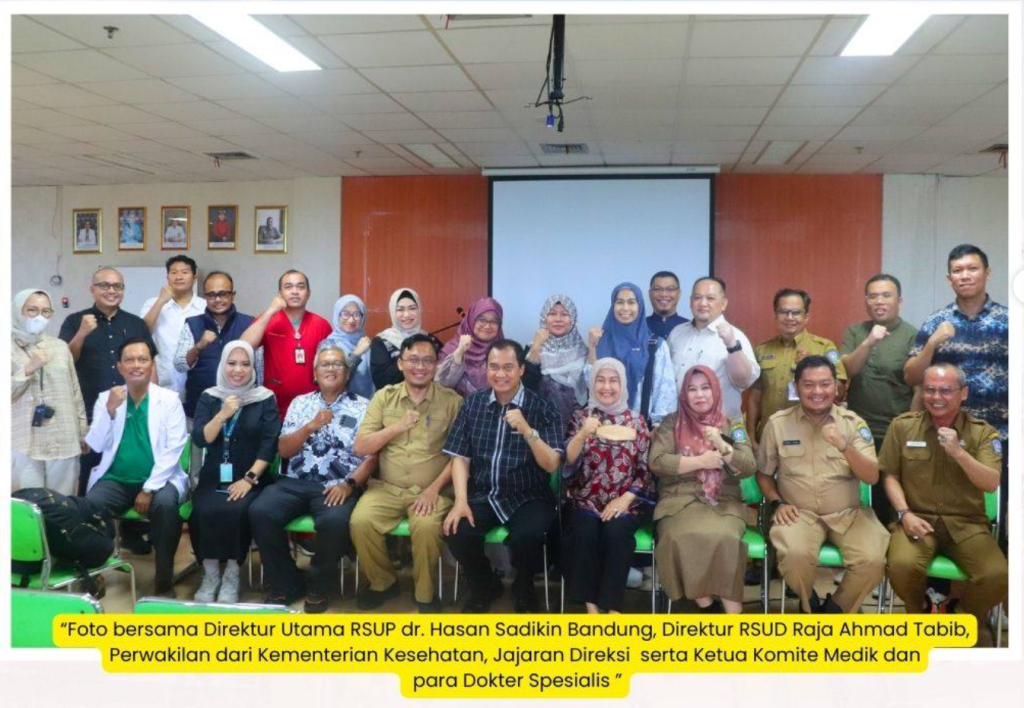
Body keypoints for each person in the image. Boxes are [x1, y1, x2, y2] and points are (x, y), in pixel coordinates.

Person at [881, 365, 1006, 639]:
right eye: (930, 389)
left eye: (946, 390)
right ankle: (919, 616)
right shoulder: (903, 426)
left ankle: (958, 619)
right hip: (916, 520)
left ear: (964, 393)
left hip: (966, 524)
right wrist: (904, 514)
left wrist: (958, 452)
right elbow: (889, 475)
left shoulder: (983, 433)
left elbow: (990, 482)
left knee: (998, 575)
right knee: (901, 565)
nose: (936, 397)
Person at [248, 343, 375, 612]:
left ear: (347, 373)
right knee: (260, 511)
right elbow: (283, 449)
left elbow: (373, 456)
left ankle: (318, 585)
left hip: (336, 485)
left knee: (334, 521)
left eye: (337, 364)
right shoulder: (300, 403)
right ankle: (286, 582)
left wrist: (350, 485)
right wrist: (309, 427)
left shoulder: (365, 407)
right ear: (314, 373)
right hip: (294, 481)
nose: (331, 369)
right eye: (325, 364)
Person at [756, 355, 888, 614]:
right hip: (798, 514)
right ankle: (809, 605)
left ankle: (835, 609)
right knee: (794, 556)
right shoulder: (778, 424)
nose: (818, 391)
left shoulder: (853, 424)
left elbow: (872, 477)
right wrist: (777, 502)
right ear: (796, 387)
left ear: (837, 388)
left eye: (825, 384)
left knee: (873, 560)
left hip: (849, 515)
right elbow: (763, 474)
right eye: (809, 384)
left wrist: (843, 445)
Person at [442, 339, 564, 613]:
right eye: (494, 367)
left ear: (521, 369)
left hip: (529, 494)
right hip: (483, 492)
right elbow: (460, 457)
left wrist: (527, 430)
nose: (501, 374)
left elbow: (552, 464)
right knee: (456, 531)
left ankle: (524, 585)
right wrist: (461, 501)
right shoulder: (472, 404)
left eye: (508, 367)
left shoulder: (542, 407)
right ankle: (485, 583)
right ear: (486, 369)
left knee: (529, 536)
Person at [903, 244, 1008, 548]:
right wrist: (932, 344)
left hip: (999, 435)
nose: (965, 276)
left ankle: (992, 587)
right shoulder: (936, 321)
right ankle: (942, 594)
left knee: (1000, 515)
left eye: (972, 269)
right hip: (946, 436)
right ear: (949, 278)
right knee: (946, 515)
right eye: (958, 271)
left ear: (987, 273)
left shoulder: (1008, 320)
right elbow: (911, 376)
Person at [350, 334, 463, 612]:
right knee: (360, 521)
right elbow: (361, 446)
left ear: (436, 365)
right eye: (413, 359)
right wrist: (396, 427)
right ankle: (383, 583)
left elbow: (460, 456)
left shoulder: (451, 401)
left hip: (432, 489)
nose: (420, 366)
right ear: (400, 363)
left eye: (427, 360)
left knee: (425, 527)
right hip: (386, 488)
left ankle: (425, 594)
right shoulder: (383, 398)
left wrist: (434, 489)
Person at [82, 338, 188, 594]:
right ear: (119, 366)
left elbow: (174, 449)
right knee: (91, 506)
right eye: (129, 360)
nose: (136, 365)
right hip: (116, 479)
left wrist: (149, 488)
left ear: (152, 365)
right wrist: (109, 411)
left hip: (159, 480)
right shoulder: (107, 398)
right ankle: (94, 571)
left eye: (143, 359)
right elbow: (95, 444)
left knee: (165, 506)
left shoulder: (169, 400)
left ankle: (164, 579)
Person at [651, 365, 756, 614]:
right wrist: (699, 462)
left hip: (723, 501)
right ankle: (707, 606)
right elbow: (656, 462)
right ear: (684, 394)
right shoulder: (671, 423)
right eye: (692, 389)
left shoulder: (733, 423)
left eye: (705, 388)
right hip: (678, 500)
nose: (699, 395)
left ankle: (733, 616)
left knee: (725, 538)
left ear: (715, 390)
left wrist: (722, 444)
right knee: (676, 537)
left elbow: (749, 466)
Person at [190, 342, 279, 604]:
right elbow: (201, 439)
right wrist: (222, 415)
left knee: (235, 511)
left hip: (252, 476)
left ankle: (231, 573)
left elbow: (269, 444)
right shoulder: (210, 396)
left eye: (245, 364)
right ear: (222, 365)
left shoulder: (264, 398)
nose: (238, 370)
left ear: (253, 367)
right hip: (213, 476)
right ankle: (210, 574)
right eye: (231, 363)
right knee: (202, 512)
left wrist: (249, 480)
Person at [562, 358, 652, 614]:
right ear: (592, 383)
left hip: (626, 502)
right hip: (586, 498)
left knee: (616, 532)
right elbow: (567, 463)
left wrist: (624, 500)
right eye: (600, 380)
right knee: (584, 530)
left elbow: (646, 469)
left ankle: (612, 609)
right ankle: (591, 608)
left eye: (613, 380)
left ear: (622, 384)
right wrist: (582, 434)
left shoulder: (636, 421)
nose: (607, 387)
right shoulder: (581, 417)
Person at [59, 267, 155, 496]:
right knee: (87, 467)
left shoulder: (135, 323)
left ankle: (129, 528)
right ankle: (89, 522)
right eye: (105, 285)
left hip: (131, 410)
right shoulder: (74, 321)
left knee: (127, 465)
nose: (111, 291)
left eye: (117, 286)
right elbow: (66, 362)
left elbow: (151, 364)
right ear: (92, 289)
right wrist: (82, 333)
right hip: (90, 408)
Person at [839, 274, 918, 524]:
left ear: (900, 300)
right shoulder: (855, 331)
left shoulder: (912, 335)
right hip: (858, 428)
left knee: (889, 495)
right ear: (866, 302)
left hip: (894, 430)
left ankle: (889, 553)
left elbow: (919, 388)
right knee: (856, 492)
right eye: (873, 296)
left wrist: (909, 428)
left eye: (886, 295)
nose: (879, 301)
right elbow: (848, 369)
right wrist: (869, 342)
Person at [747, 288, 848, 446]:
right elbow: (754, 398)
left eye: (796, 312)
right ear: (775, 315)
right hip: (768, 435)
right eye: (783, 312)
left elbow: (839, 392)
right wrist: (751, 437)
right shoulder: (762, 350)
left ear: (806, 317)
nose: (789, 317)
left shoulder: (824, 347)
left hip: (809, 437)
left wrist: (814, 364)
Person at [12, 289, 88, 496]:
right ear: (18, 311)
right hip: (23, 440)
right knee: (27, 503)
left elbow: (74, 391)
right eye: (32, 310)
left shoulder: (60, 347)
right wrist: (28, 369)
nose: (39, 317)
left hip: (64, 436)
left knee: (62, 504)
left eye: (46, 311)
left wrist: (82, 431)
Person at [241, 270, 333, 419]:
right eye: (288, 287)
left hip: (312, 406)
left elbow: (331, 365)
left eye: (301, 287)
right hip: (274, 405)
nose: (295, 292)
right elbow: (243, 348)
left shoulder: (321, 325)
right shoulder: (268, 320)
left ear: (308, 293)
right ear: (280, 293)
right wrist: (271, 310)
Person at [668, 276, 759, 419]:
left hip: (719, 429)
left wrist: (732, 346)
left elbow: (745, 381)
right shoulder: (676, 333)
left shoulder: (735, 336)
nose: (703, 303)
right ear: (690, 302)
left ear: (723, 304)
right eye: (697, 298)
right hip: (679, 425)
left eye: (710, 298)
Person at [587, 282, 676, 426]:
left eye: (631, 302)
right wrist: (592, 347)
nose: (625, 308)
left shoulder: (655, 345)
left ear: (640, 306)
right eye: (620, 302)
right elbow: (589, 383)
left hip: (641, 430)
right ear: (613, 306)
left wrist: (657, 428)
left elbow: (665, 394)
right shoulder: (600, 340)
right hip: (602, 427)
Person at [173, 271, 257, 421]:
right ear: (205, 297)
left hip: (241, 410)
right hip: (200, 409)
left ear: (233, 295)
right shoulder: (192, 324)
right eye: (211, 295)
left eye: (223, 294)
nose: (217, 299)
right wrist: (199, 346)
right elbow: (180, 365)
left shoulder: (250, 324)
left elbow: (259, 368)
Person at [141, 255, 205, 399]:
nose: (179, 276)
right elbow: (142, 333)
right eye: (174, 272)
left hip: (196, 383)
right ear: (167, 277)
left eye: (184, 272)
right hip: (162, 382)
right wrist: (161, 301)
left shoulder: (204, 307)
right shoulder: (152, 304)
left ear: (194, 277)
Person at [524, 294, 589, 431]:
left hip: (575, 427)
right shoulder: (532, 349)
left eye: (564, 314)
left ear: (572, 319)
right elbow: (525, 387)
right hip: (538, 425)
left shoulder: (584, 351)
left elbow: (590, 390)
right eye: (552, 313)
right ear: (544, 318)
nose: (558, 319)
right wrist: (536, 347)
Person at [437, 297, 506, 397]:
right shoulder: (451, 349)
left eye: (494, 321)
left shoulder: (504, 350)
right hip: (457, 410)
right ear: (471, 319)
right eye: (481, 320)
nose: (487, 326)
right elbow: (441, 386)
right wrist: (459, 353)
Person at [370, 287, 426, 389]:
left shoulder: (429, 340)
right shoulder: (381, 341)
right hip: (392, 401)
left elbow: (439, 377)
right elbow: (381, 382)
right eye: (400, 309)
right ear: (392, 312)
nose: (407, 314)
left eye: (412, 308)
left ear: (420, 309)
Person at [324, 295, 374, 400]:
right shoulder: (328, 345)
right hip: (340, 406)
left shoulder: (366, 342)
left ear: (363, 317)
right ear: (337, 315)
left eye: (357, 314)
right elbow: (335, 378)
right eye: (345, 314)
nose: (351, 320)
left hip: (368, 406)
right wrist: (357, 353)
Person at [646, 271, 687, 339]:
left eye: (670, 289)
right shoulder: (639, 327)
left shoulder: (690, 328)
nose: (663, 294)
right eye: (657, 289)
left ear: (679, 293)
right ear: (650, 294)